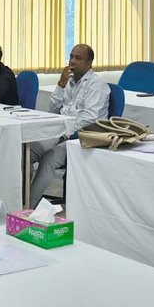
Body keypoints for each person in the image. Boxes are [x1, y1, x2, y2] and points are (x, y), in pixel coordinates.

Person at [28, 44, 108, 207]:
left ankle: (28, 205)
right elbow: (52, 109)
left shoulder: (96, 85)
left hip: (82, 137)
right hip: (60, 132)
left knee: (49, 158)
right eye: (71, 56)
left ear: (89, 63)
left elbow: (89, 119)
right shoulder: (69, 82)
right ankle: (19, 196)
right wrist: (61, 84)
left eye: (78, 58)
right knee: (27, 151)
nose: (72, 61)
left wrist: (64, 135)